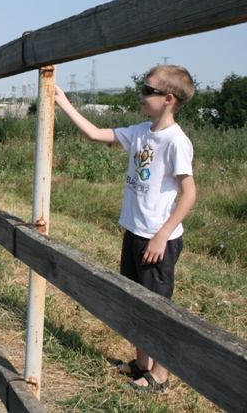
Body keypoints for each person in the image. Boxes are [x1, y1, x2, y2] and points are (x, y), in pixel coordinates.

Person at [54, 65, 197, 394]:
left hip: (157, 240)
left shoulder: (176, 142)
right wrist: (61, 100)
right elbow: (93, 133)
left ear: (169, 99)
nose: (141, 95)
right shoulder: (140, 132)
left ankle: (160, 375)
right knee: (134, 302)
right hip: (135, 232)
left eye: (149, 91)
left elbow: (189, 194)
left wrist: (162, 234)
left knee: (157, 309)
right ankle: (142, 364)